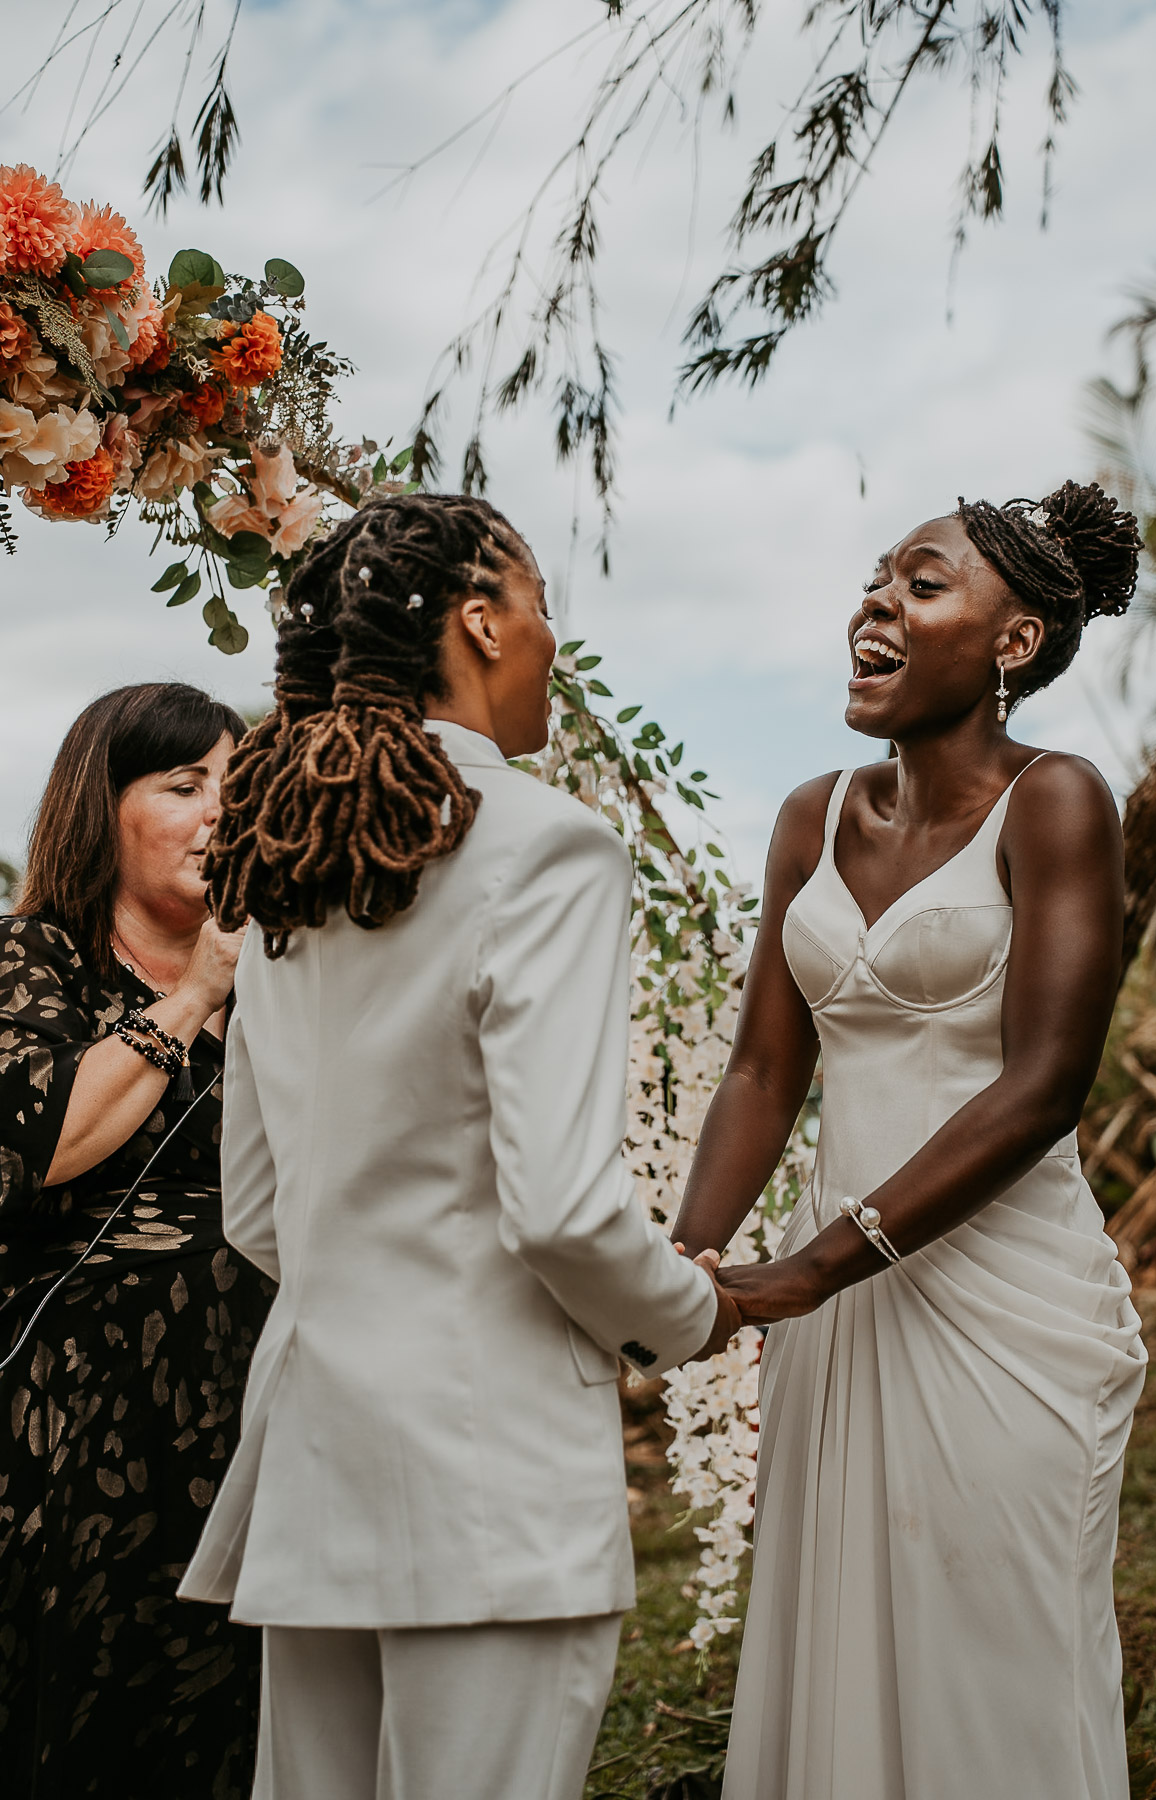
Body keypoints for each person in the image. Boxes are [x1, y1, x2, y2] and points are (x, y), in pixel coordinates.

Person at [178, 492, 739, 1800]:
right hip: (489, 1481)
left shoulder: (291, 869)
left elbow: (257, 1214)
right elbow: (561, 1215)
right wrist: (694, 1312)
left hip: (315, 1474)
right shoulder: (550, 849)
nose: (550, 636)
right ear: (483, 623)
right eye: (542, 605)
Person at [672, 481, 1149, 1800]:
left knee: (993, 1659)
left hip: (1002, 1302)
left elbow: (1043, 1085)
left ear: (1015, 643)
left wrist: (810, 1268)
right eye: (878, 578)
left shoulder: (1057, 803)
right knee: (847, 1647)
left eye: (923, 583)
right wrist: (688, 1264)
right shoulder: (809, 817)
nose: (876, 602)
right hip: (841, 1313)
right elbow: (767, 1071)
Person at [0, 682, 274, 1799]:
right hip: (71, 1441)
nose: (221, 810)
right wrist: (197, 991)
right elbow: (37, 1146)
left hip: (244, 1424)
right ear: (99, 810)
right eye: (183, 784)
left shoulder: (285, 985)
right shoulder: (33, 959)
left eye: (235, 785)